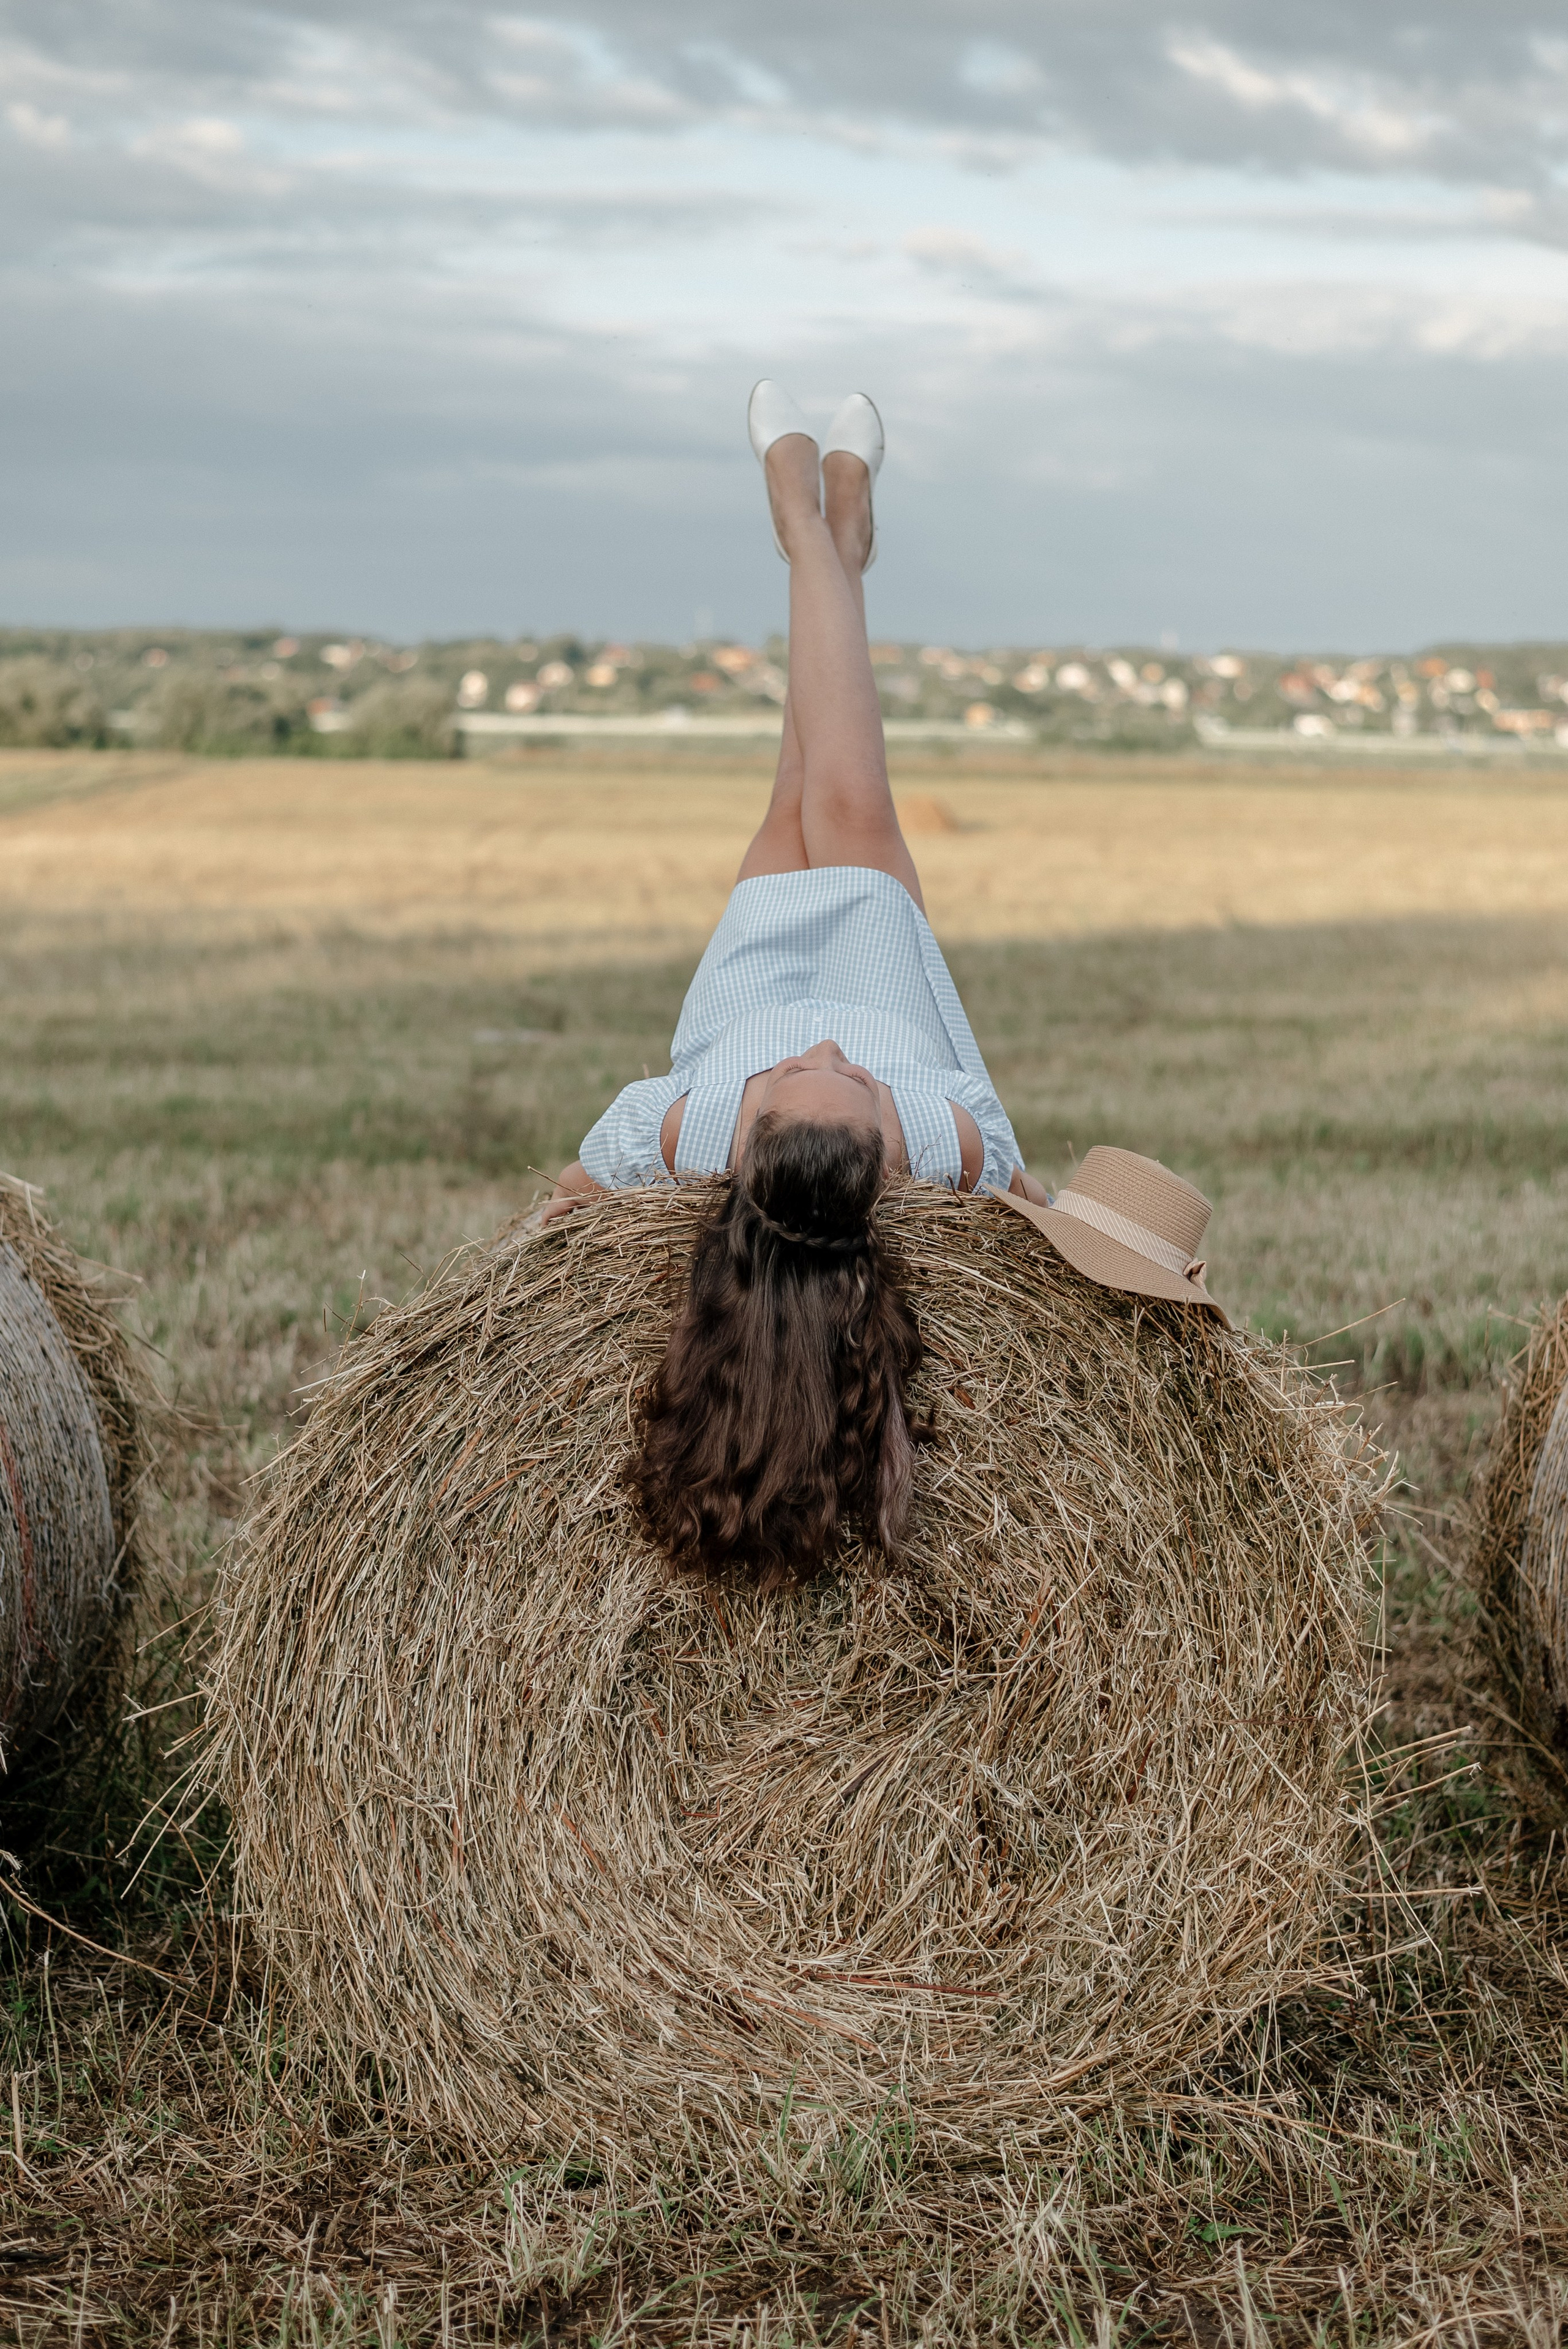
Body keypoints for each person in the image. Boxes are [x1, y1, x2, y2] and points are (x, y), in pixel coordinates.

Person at [542, 380, 1047, 1589]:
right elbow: (1024, 1196)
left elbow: (569, 1195)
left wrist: (551, 1251)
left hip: (749, 980)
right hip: (880, 961)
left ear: (737, 1144)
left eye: (795, 1082)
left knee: (789, 790)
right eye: (853, 1088)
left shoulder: (680, 1127)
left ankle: (832, 546)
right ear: (892, 1148)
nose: (824, 1057)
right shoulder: (946, 1144)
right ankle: (810, 526)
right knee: (845, 798)